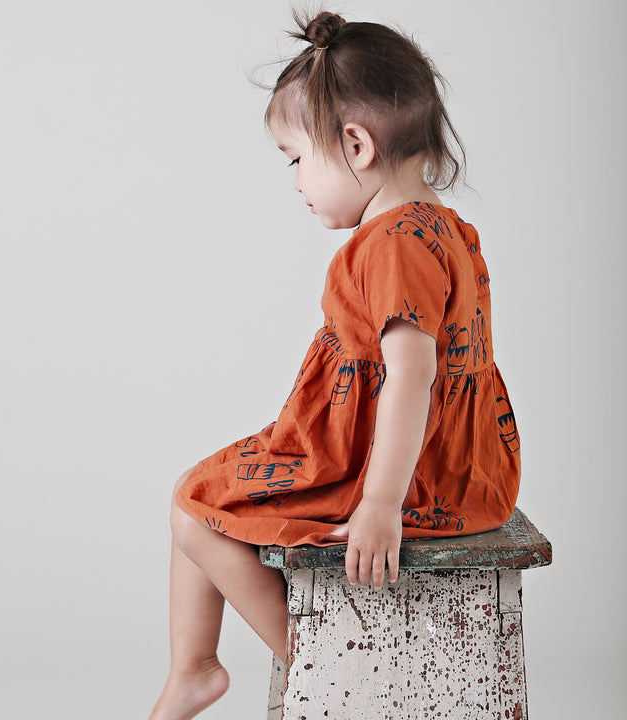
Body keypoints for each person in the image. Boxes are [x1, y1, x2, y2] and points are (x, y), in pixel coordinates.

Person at [149, 9, 520, 720]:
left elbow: (412, 375)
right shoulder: (443, 227)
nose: (295, 183)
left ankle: (303, 662)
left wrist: (380, 503)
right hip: (466, 469)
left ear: (355, 145)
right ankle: (208, 666)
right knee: (202, 492)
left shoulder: (391, 244)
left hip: (392, 475)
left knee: (192, 505)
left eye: (297, 159)